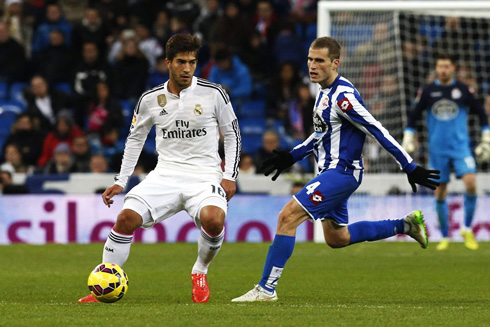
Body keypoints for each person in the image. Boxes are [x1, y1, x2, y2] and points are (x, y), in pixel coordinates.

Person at [231, 37, 440, 303]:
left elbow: (376, 128)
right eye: (309, 59)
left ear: (335, 63)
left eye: (319, 60)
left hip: (341, 173)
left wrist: (409, 166)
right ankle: (406, 224)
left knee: (287, 217)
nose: (312, 65)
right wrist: (291, 156)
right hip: (329, 172)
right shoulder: (323, 93)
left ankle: (266, 289)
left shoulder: (343, 97)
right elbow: (319, 135)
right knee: (337, 237)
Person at [78, 34, 241, 304]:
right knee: (125, 219)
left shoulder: (214, 93)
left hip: (204, 175)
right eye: (181, 62)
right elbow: (135, 138)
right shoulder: (150, 99)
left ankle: (200, 271)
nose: (187, 68)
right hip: (165, 174)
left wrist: (229, 176)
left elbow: (233, 134)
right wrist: (121, 180)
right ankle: (103, 285)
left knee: (213, 219)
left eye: (192, 62)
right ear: (168, 62)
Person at [402, 53, 490, 251]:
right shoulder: (427, 91)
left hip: (460, 147)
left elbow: (481, 113)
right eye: (440, 66)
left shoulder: (462, 90)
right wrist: (408, 136)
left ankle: (467, 229)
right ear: (436, 68)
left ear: (452, 69)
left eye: (446, 66)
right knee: (440, 191)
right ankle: (444, 236)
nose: (443, 69)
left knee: (471, 183)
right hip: (437, 149)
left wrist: (486, 137)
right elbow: (413, 115)